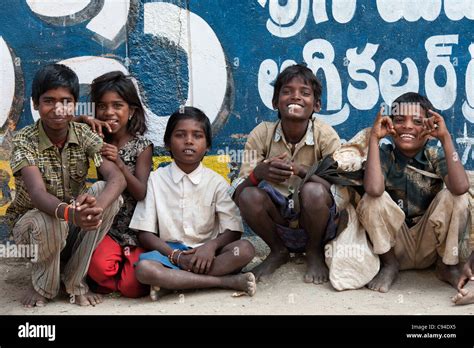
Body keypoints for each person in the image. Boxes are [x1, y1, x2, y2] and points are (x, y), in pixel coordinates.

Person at [6, 64, 126, 307]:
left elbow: (117, 178)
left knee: (109, 195)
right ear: (36, 104)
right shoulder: (23, 140)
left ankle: (74, 282)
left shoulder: (83, 133)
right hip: (32, 229)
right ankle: (44, 286)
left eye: (66, 101)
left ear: (75, 104)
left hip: (71, 224)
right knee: (49, 218)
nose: (58, 108)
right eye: (49, 100)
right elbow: (39, 194)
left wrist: (94, 211)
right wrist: (72, 214)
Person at [230, 64, 341, 284]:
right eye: (287, 91)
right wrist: (258, 174)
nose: (296, 97)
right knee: (249, 196)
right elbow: (237, 193)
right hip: (279, 219)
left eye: (305, 93)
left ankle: (314, 252)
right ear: (275, 102)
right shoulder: (262, 133)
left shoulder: (325, 135)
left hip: (318, 223)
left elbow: (341, 190)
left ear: (316, 105)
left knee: (314, 191)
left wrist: (302, 172)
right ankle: (278, 251)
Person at [131, 107, 256, 300]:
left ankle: (175, 283)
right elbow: (144, 233)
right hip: (169, 255)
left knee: (245, 249)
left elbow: (233, 230)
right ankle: (225, 282)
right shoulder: (155, 180)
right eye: (180, 135)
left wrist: (211, 247)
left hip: (208, 256)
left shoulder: (217, 183)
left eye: (197, 136)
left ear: (207, 146)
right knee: (144, 269)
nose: (189, 141)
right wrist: (176, 256)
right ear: (167, 143)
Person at [357, 92, 470, 295]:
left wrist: (445, 138)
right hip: (394, 244)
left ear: (428, 129)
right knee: (372, 200)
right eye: (399, 120)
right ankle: (389, 265)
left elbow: (461, 187)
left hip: (429, 244)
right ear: (390, 126)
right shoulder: (385, 155)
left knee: (456, 197)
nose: (407, 126)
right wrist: (374, 138)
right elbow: (373, 189)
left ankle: (448, 265)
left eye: (417, 121)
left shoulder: (434, 156)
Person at [81, 71, 153, 298]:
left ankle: (123, 275)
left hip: (135, 231)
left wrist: (119, 162)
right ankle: (111, 277)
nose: (109, 112)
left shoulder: (143, 145)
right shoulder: (96, 139)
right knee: (101, 269)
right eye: (102, 106)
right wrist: (83, 120)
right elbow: (63, 122)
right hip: (107, 230)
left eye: (117, 105)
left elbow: (141, 192)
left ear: (131, 111)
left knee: (133, 287)